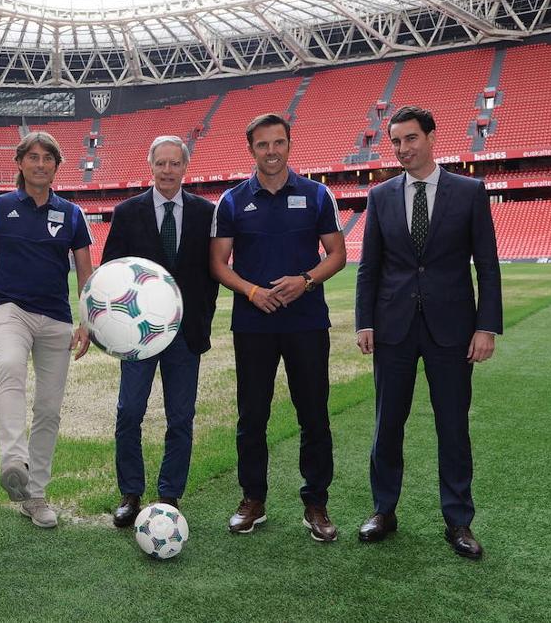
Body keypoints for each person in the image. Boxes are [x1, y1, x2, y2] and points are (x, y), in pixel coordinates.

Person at [355, 105, 502, 560]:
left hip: (453, 330)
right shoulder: (380, 196)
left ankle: (458, 521)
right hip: (393, 328)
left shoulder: (470, 191)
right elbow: (369, 267)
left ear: (432, 137)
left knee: (453, 427)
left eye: (411, 139)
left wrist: (486, 327)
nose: (402, 149)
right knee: (387, 426)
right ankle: (384, 510)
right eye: (396, 141)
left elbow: (488, 266)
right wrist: (364, 320)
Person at [210, 113, 347, 542]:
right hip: (253, 324)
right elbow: (217, 263)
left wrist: (305, 280)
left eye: (278, 143)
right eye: (263, 145)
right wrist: (252, 291)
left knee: (314, 415)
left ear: (289, 145)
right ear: (251, 149)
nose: (271, 151)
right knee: (252, 416)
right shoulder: (231, 201)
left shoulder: (316, 194)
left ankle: (316, 503)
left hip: (306, 323)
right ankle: (253, 499)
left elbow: (337, 254)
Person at [0, 131, 93, 528]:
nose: (40, 164)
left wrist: (86, 321)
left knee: (49, 409)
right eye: (32, 157)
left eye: (47, 158)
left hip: (56, 318)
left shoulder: (72, 213)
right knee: (9, 367)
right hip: (10, 312)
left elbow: (85, 272)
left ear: (57, 165)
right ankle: (12, 462)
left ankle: (35, 496)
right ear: (19, 164)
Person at [102, 136, 219, 527]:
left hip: (185, 335)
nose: (167, 171)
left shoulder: (207, 212)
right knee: (129, 412)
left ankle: (170, 494)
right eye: (161, 164)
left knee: (180, 417)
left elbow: (212, 272)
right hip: (138, 335)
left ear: (185, 167)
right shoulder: (127, 212)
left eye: (174, 164)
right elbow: (111, 273)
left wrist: (203, 316)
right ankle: (130, 493)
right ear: (150, 165)